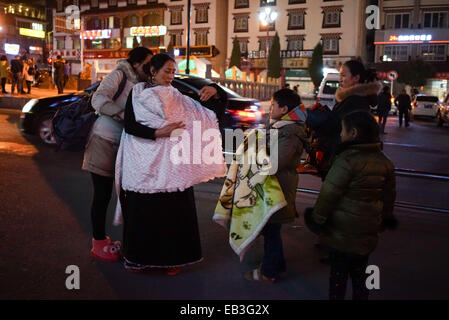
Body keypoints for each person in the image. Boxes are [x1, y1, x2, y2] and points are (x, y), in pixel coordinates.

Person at [83, 48, 224, 263]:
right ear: (144, 66)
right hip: (106, 139)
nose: (169, 75)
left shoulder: (169, 91)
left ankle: (146, 253)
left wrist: (213, 89)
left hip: (141, 152)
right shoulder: (124, 79)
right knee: (103, 195)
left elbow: (196, 107)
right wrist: (127, 116)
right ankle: (99, 243)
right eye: (162, 68)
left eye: (172, 71)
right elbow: (101, 101)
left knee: (135, 201)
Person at [304, 111, 397, 300]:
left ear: (353, 133)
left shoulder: (346, 161)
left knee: (338, 275)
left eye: (343, 131)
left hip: (342, 230)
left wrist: (317, 219)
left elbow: (329, 193)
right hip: (368, 229)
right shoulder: (385, 162)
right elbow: (389, 196)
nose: (340, 135)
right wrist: (385, 218)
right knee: (361, 273)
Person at [243, 89, 308, 283]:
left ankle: (268, 273)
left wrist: (255, 159)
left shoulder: (289, 133)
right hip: (275, 185)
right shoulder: (281, 127)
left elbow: (275, 163)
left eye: (273, 105)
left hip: (279, 187)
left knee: (272, 230)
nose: (270, 109)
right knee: (272, 229)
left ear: (284, 109)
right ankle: (278, 267)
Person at [297, 60, 381, 178]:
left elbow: (334, 124)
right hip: (344, 158)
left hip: (344, 159)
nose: (340, 79)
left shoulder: (355, 100)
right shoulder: (352, 98)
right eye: (339, 75)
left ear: (356, 78)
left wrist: (311, 116)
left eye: (343, 75)